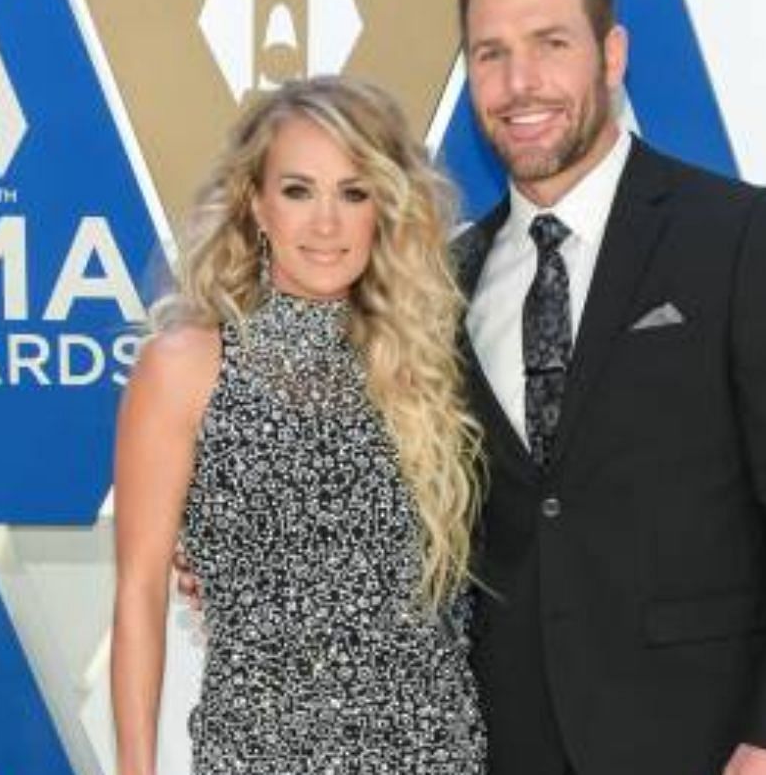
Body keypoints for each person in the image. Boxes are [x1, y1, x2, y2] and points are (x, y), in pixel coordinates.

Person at [453, 0, 766, 775]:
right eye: (489, 53)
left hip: (705, 739)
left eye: (549, 43)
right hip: (503, 741)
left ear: (612, 55)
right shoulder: (447, 277)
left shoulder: (736, 235)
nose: (518, 82)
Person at [111, 76, 487, 775]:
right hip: (259, 753)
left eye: (354, 192)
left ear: (385, 208)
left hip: (433, 750)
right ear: (256, 203)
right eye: (297, 190)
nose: (326, 223)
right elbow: (138, 591)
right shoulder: (185, 366)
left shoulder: (432, 365)